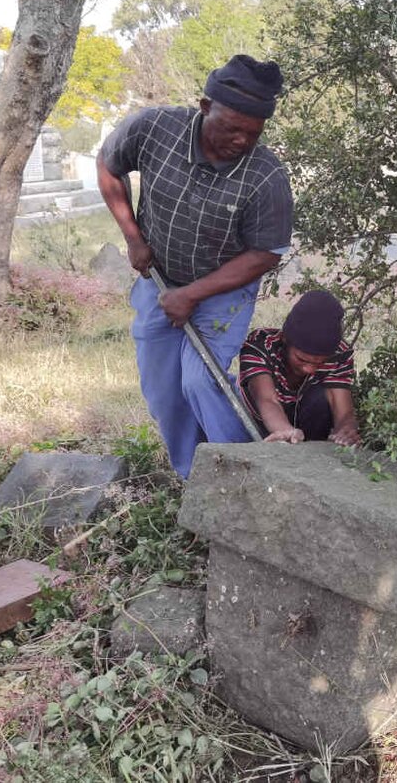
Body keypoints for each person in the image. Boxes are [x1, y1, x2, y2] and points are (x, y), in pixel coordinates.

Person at [98, 54, 294, 478]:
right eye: (231, 128)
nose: (241, 141)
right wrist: (133, 237)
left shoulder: (266, 176)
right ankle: (192, 476)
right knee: (164, 390)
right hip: (159, 279)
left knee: (200, 381)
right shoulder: (154, 128)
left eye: (252, 134)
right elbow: (109, 167)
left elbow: (266, 254)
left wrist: (191, 295)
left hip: (223, 290)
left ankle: (242, 474)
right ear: (206, 107)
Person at [237, 290, 360, 445]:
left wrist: (346, 430)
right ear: (284, 339)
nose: (310, 370)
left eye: (320, 363)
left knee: (321, 398)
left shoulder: (339, 354)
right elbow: (267, 400)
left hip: (308, 425)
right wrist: (284, 431)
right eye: (302, 359)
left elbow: (343, 412)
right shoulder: (260, 345)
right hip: (258, 422)